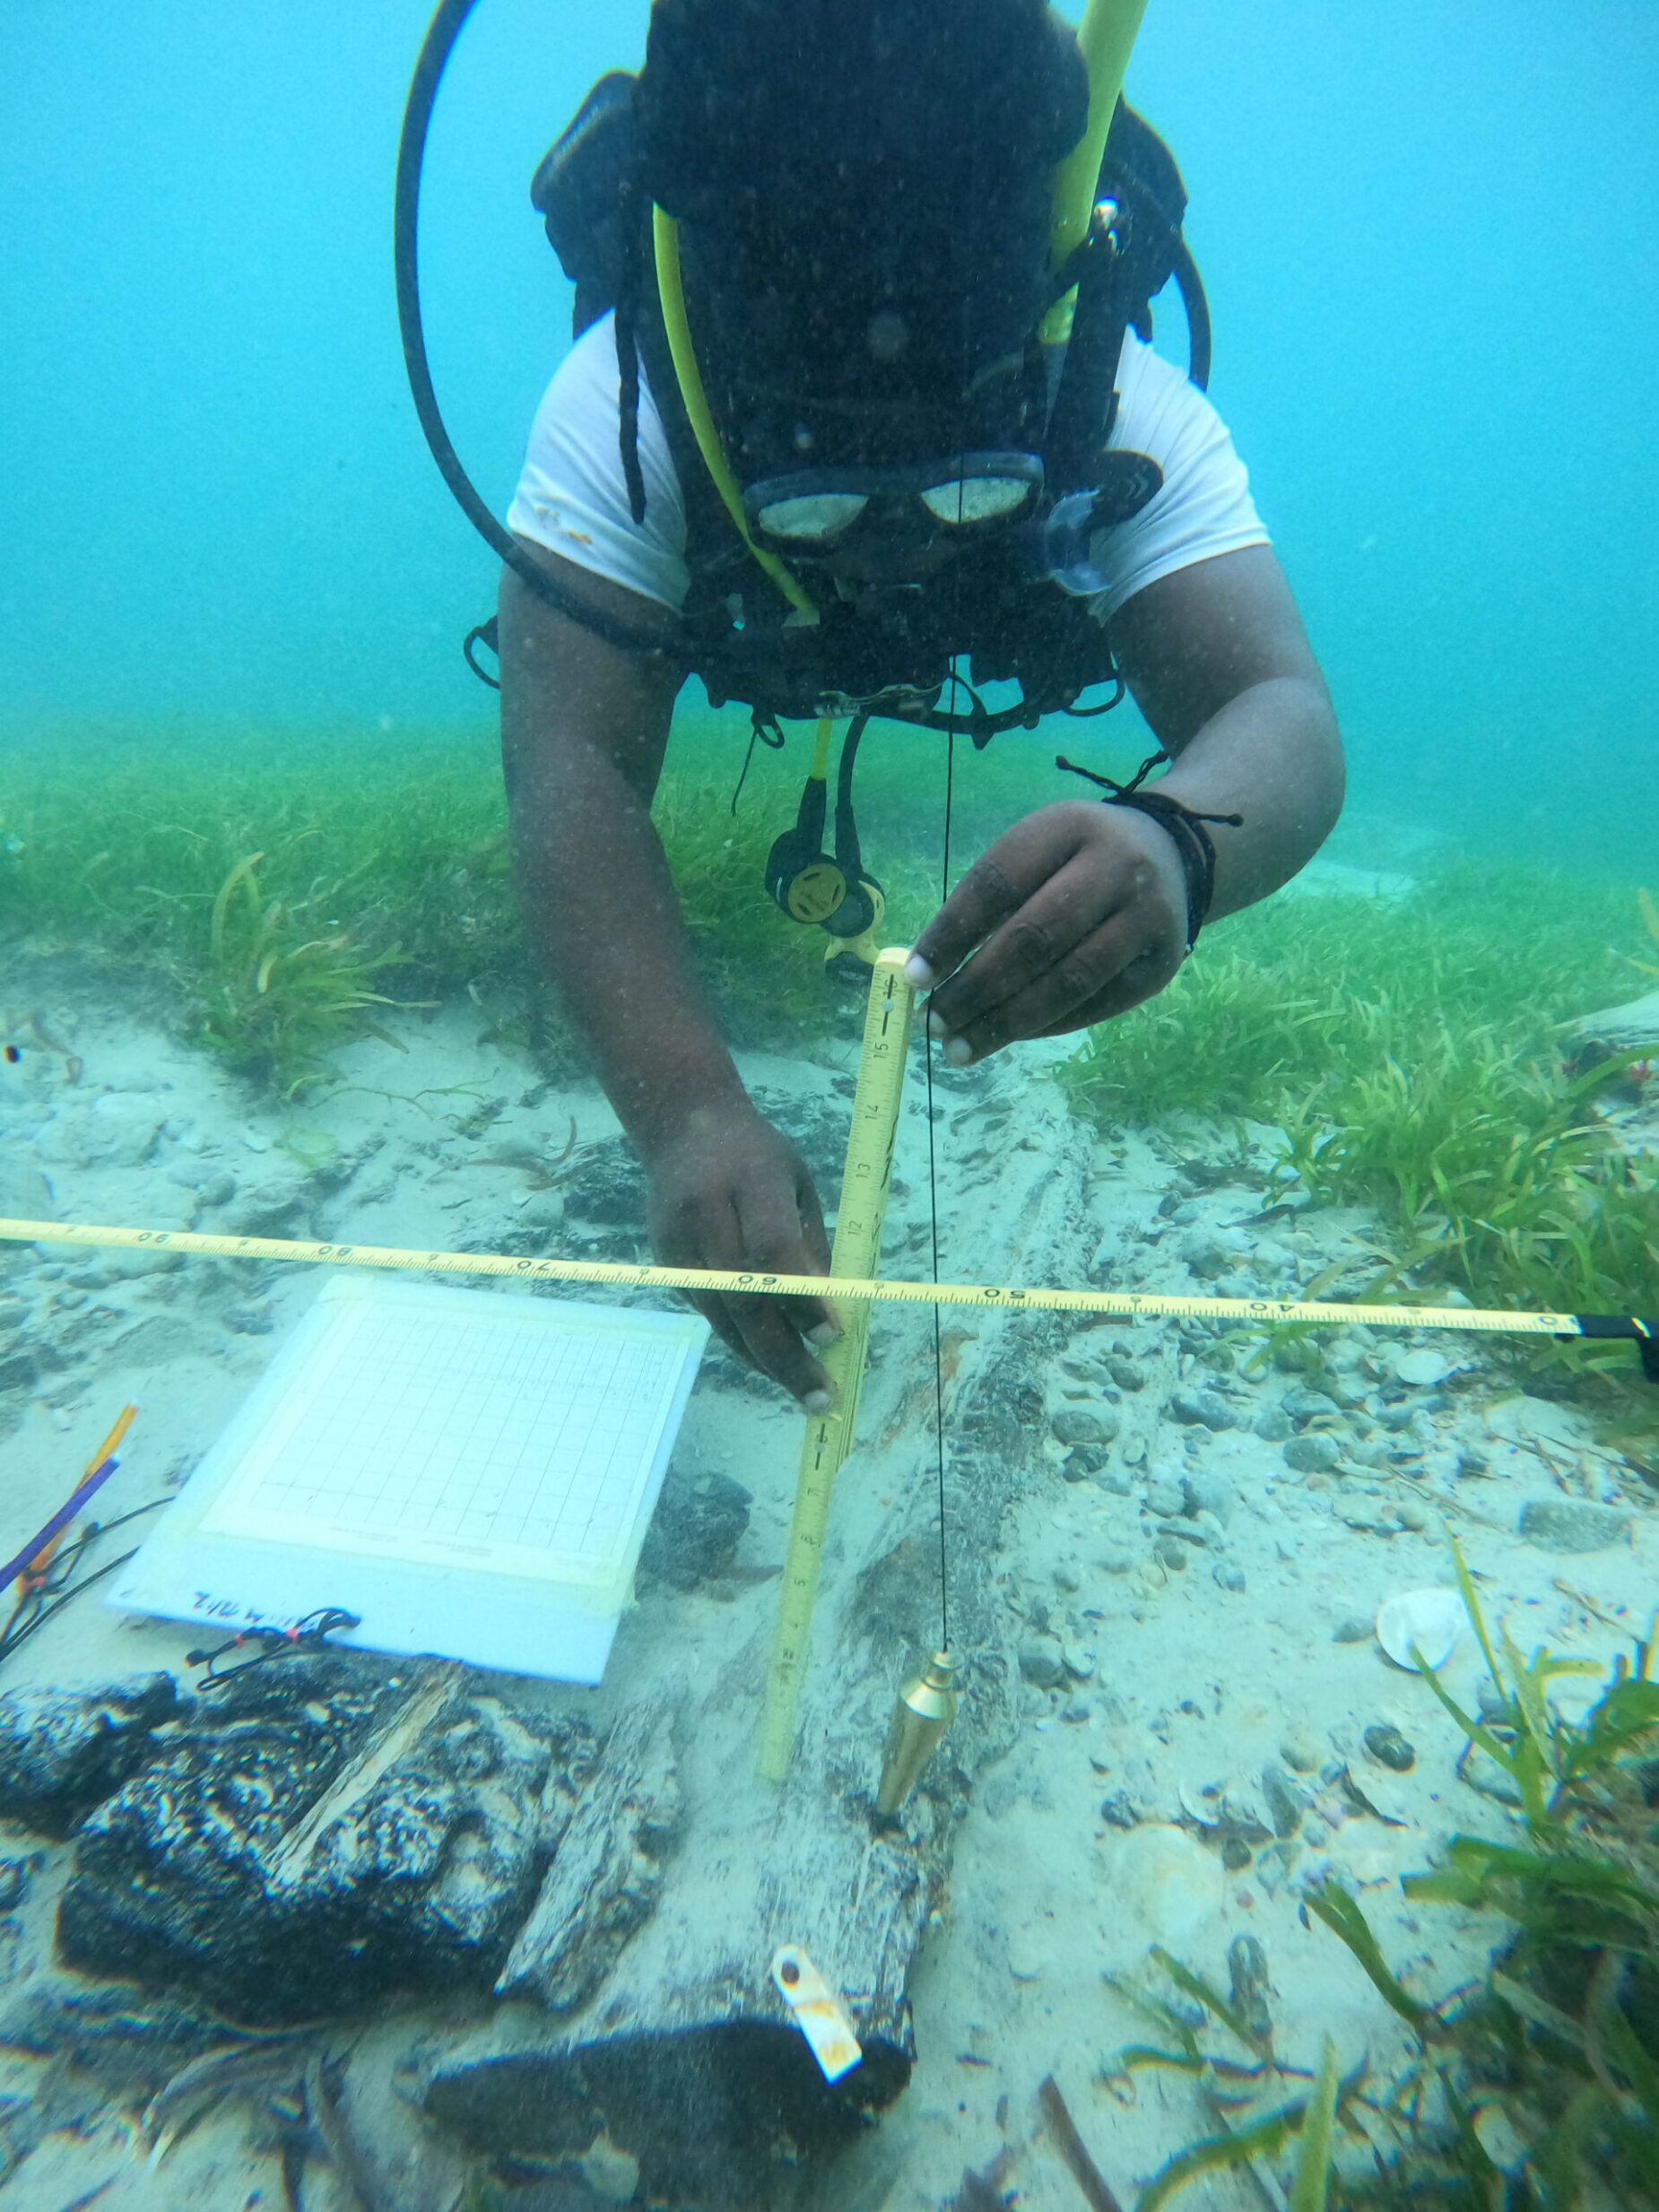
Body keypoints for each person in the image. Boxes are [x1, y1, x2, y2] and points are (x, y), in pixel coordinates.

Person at [495, 0, 1343, 1410]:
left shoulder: (1105, 388)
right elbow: (569, 762)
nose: (888, 541)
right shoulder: (626, 406)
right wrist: (685, 1111)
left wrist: (1181, 846)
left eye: (965, 487)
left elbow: (1277, 706)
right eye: (822, 492)